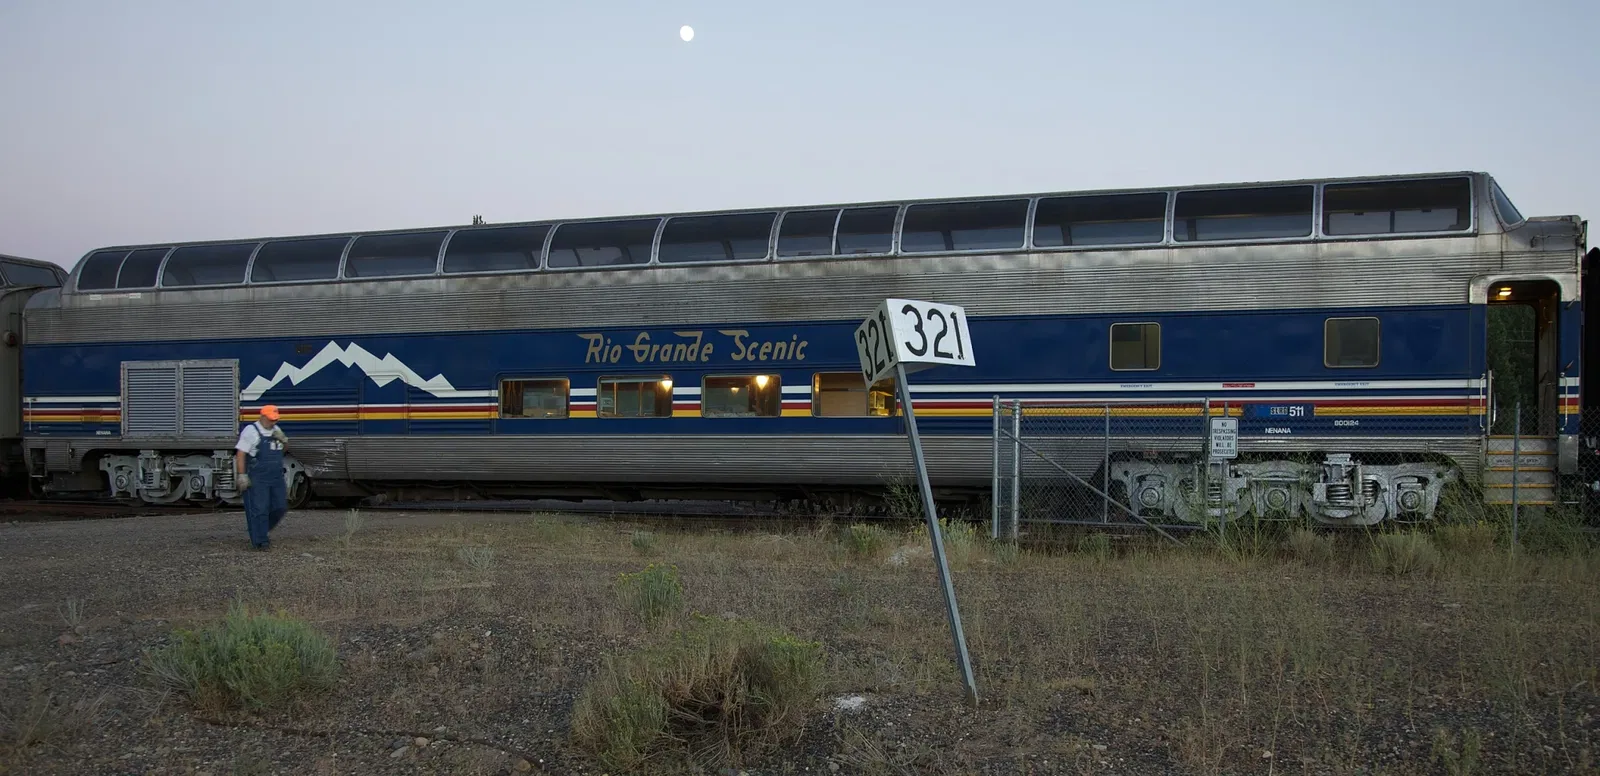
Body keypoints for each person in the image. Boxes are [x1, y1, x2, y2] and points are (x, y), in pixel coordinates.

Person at [235, 405, 290, 550]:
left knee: (280, 507)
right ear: (263, 417)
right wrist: (242, 475)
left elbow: (284, 449)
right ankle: (260, 542)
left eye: (275, 420)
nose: (273, 422)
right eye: (271, 420)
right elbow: (240, 454)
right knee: (259, 509)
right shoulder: (251, 431)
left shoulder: (276, 430)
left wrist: (284, 440)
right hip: (258, 477)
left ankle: (261, 530)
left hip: (276, 476)